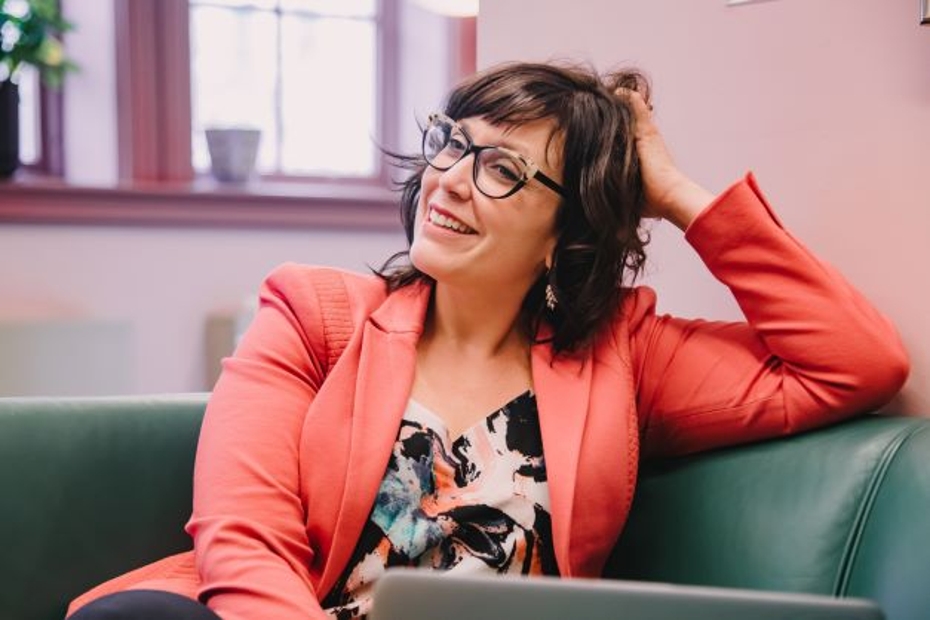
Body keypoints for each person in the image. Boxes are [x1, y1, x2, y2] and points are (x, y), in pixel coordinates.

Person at [67, 61, 909, 620]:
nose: (450, 181)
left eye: (501, 170)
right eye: (454, 145)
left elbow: (856, 360)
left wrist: (678, 195)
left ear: (564, 231)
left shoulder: (623, 357)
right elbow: (244, 536)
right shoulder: (313, 313)